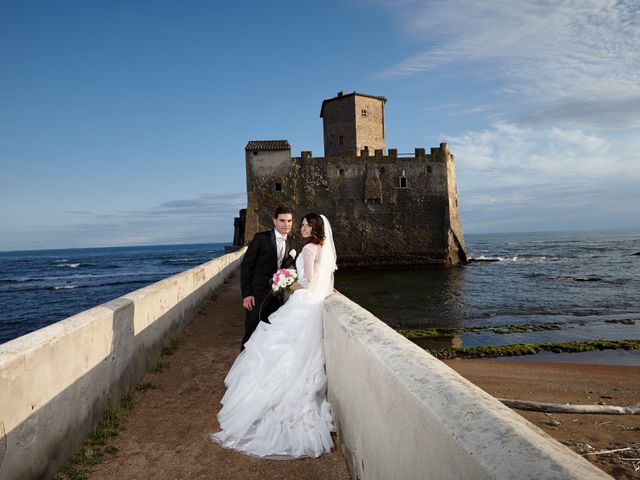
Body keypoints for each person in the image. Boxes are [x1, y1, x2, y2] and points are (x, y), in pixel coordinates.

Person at [211, 213, 338, 459]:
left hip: (303, 303)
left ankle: (270, 399)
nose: (299, 227)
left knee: (278, 348)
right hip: (310, 305)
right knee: (293, 351)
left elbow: (309, 281)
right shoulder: (319, 247)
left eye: (304, 224)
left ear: (315, 228)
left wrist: (287, 283)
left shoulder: (309, 249)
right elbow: (321, 280)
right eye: (297, 224)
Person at [240, 206, 297, 348]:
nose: (286, 224)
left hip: (277, 296)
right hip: (256, 294)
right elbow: (247, 267)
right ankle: (243, 365)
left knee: (270, 331)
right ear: (274, 221)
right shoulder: (261, 238)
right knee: (252, 331)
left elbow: (292, 269)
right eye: (282, 221)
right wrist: (247, 294)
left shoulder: (292, 242)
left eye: (289, 221)